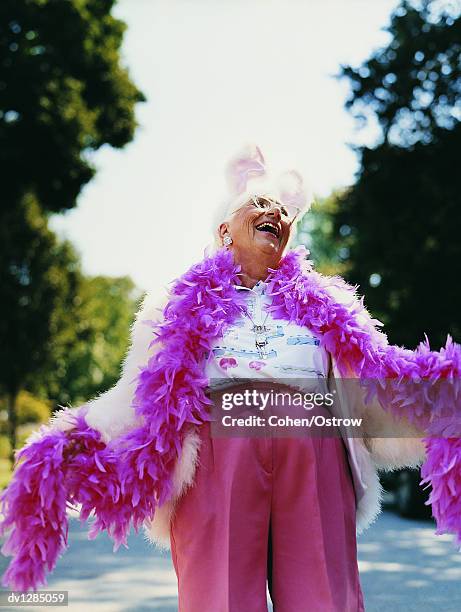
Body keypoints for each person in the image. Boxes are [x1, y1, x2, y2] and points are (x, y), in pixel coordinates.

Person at [1, 145, 459, 612]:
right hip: (215, 455)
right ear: (224, 230)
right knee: (219, 598)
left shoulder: (330, 303)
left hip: (315, 452)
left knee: (325, 596)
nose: (274, 214)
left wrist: (444, 399)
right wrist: (76, 436)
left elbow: (375, 380)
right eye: (259, 205)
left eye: (282, 211)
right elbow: (137, 396)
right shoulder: (174, 306)